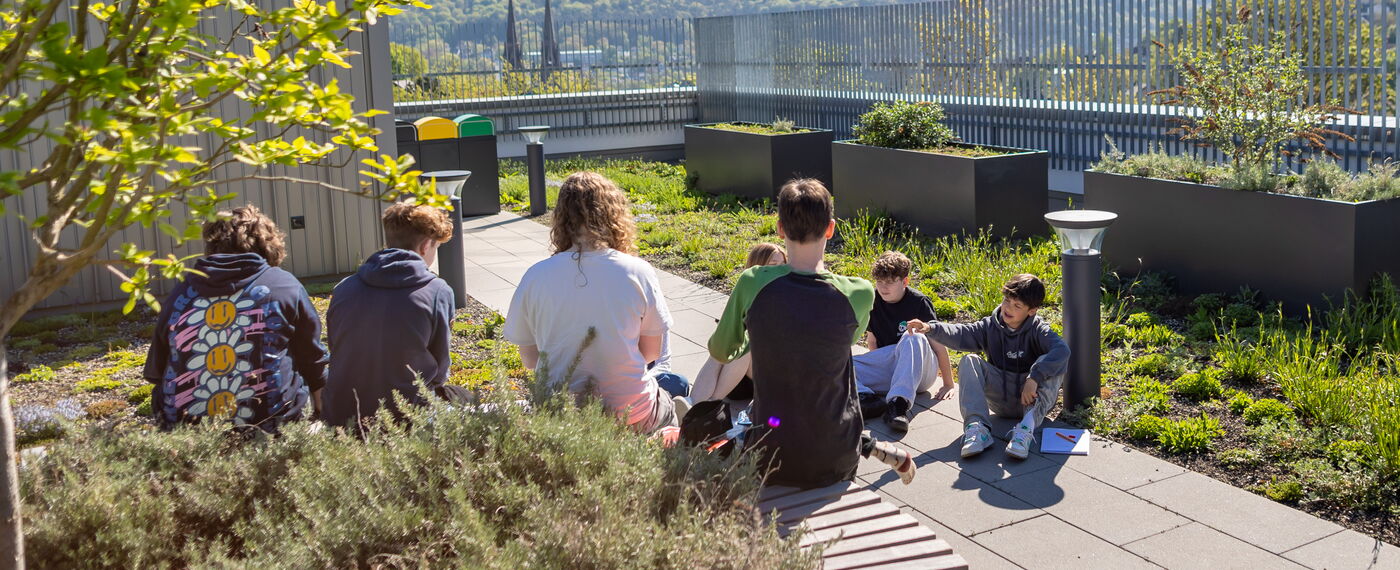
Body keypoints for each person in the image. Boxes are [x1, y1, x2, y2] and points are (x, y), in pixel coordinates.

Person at [708, 179, 915, 488]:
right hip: (837, 454)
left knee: (744, 420)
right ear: (830, 229)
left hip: (771, 453)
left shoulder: (752, 282)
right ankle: (868, 445)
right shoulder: (858, 292)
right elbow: (843, 342)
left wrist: (761, 335)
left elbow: (721, 351)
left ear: (779, 229)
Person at [504, 172, 685, 435]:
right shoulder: (637, 272)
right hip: (630, 412)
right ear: (614, 215)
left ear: (561, 219)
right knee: (672, 391)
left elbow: (530, 360)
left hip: (560, 416)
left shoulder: (535, 276)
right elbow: (651, 354)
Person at [144, 205, 327, 432]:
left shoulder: (181, 293)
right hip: (272, 431)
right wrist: (323, 414)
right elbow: (313, 361)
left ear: (211, 245)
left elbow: (156, 372)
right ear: (267, 244)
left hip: (185, 433)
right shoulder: (283, 285)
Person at [323, 203, 469, 429]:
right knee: (466, 400)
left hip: (344, 415)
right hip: (406, 417)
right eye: (436, 247)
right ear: (424, 245)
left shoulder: (344, 288)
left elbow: (337, 348)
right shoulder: (437, 292)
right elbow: (440, 370)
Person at [912, 274, 1069, 460]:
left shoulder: (1038, 330)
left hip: (1031, 402)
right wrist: (931, 328)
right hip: (1000, 401)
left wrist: (1034, 377)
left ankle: (1024, 431)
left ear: (1032, 311)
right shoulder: (990, 326)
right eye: (1007, 300)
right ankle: (978, 429)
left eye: (1017, 306)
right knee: (969, 360)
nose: (1008, 308)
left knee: (1053, 359)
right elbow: (962, 333)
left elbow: (1062, 351)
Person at [853, 251, 955, 433]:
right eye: (880, 281)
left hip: (921, 370)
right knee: (843, 364)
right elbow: (873, 341)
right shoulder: (874, 300)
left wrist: (948, 383)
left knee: (912, 336)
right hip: (893, 370)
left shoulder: (919, 302)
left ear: (905, 281)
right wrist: (872, 368)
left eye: (890, 282)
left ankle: (898, 406)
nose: (884, 287)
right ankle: (868, 400)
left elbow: (938, 343)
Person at [689, 242, 786, 403]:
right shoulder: (747, 290)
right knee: (720, 352)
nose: (779, 271)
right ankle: (692, 405)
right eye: (772, 265)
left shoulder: (789, 295)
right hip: (737, 375)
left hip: (766, 376)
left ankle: (709, 405)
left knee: (746, 345)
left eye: (783, 265)